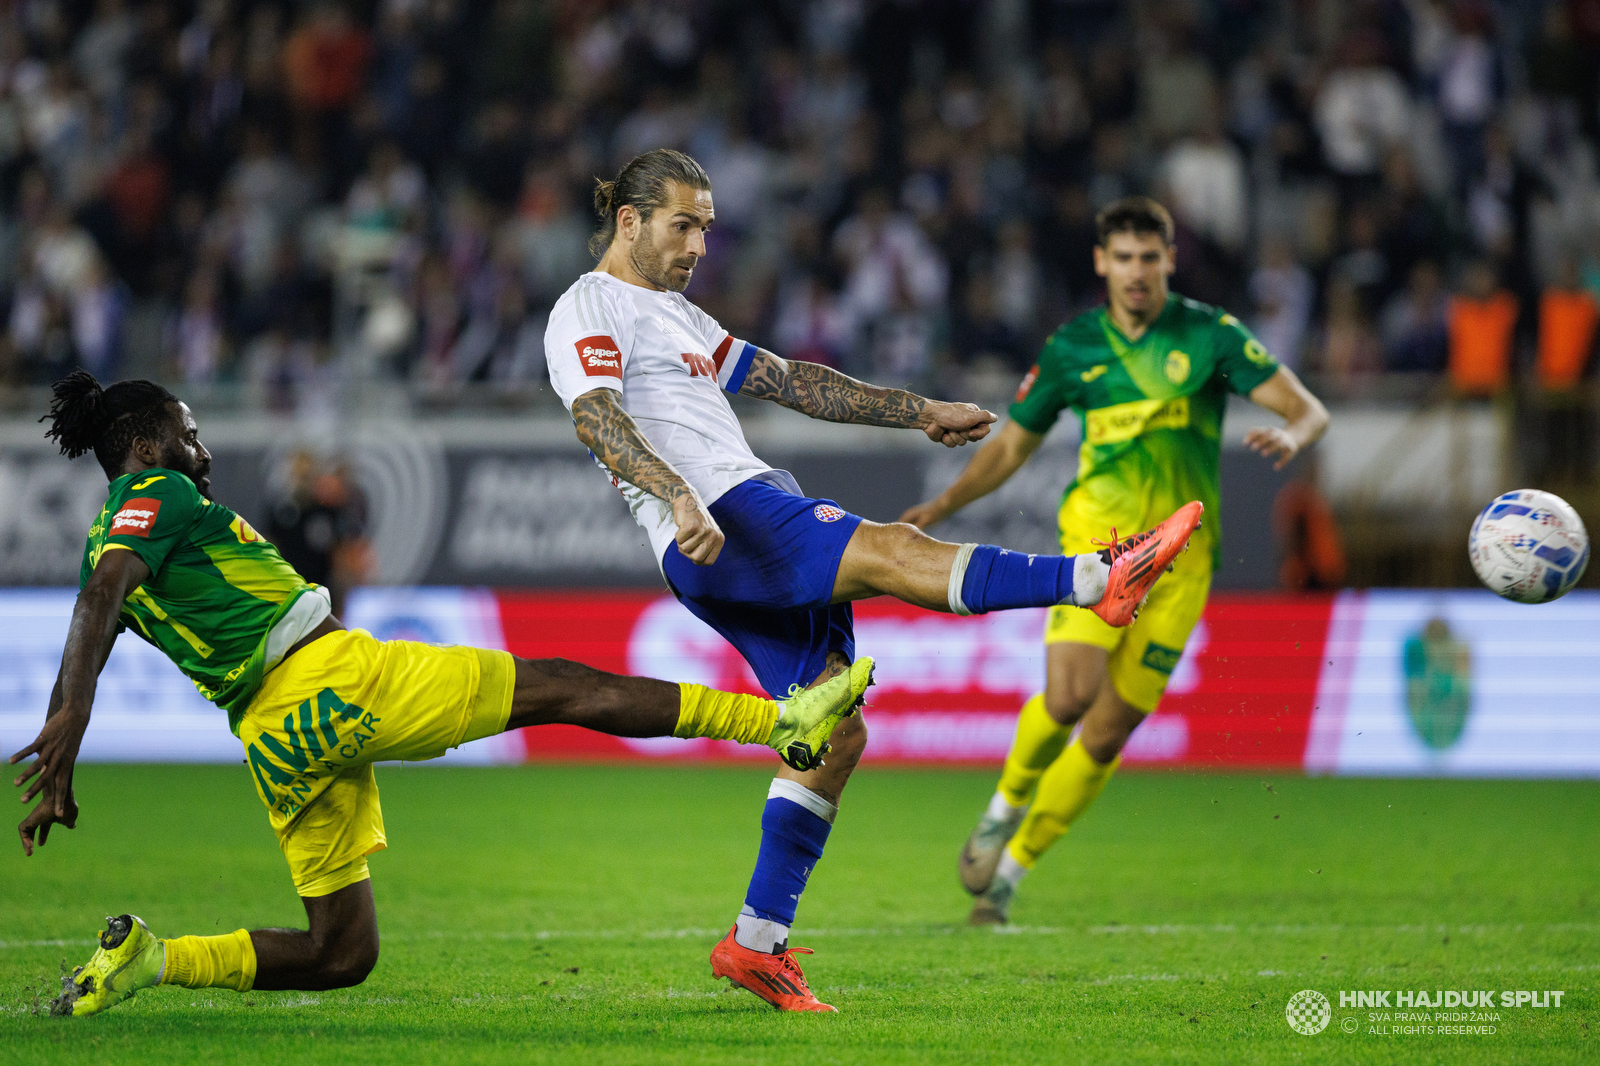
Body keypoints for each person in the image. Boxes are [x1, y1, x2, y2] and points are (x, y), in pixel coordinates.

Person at [544, 150, 1202, 1012]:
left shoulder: (679, 317)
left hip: (739, 507)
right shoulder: (588, 307)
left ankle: (755, 944)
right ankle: (1097, 578)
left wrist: (918, 410)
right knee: (890, 551)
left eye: (706, 224)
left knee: (835, 733)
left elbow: (795, 383)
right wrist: (675, 493)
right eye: (682, 224)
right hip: (718, 514)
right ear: (628, 222)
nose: (700, 243)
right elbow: (597, 416)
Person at [14, 371, 873, 1018]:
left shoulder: (107, 537)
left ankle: (150, 961)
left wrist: (63, 732)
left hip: (271, 737)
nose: (201, 453)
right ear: (146, 446)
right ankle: (782, 721)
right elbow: (102, 598)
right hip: (328, 681)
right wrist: (72, 721)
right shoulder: (149, 494)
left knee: (340, 952)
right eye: (188, 435)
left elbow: (98, 606)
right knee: (562, 688)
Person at [899, 196, 1329, 925]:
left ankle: (1009, 873)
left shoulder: (1210, 334)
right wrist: (939, 510)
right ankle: (1002, 807)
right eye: (1123, 259)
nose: (1137, 273)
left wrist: (1294, 437)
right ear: (1102, 262)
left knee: (1106, 732)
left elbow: (1307, 407)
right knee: (1068, 697)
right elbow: (1009, 446)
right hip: (1099, 549)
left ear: (1168, 261)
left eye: (1149, 259)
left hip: (1184, 566)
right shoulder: (1074, 348)